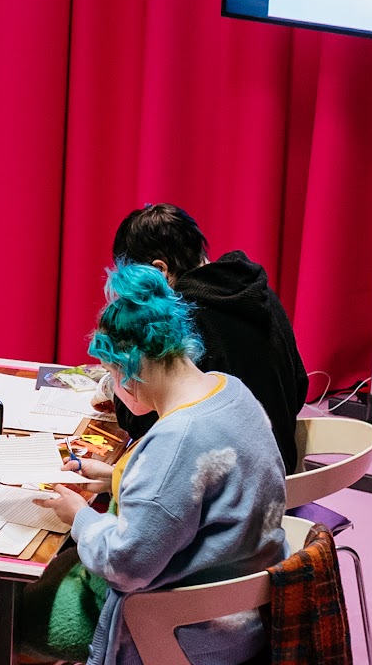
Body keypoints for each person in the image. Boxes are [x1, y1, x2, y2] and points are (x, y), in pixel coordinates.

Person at [0, 263, 289, 665]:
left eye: (111, 375)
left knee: (4, 623)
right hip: (248, 600)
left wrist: (79, 515)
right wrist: (110, 475)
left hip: (191, 625)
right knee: (49, 584)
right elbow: (187, 494)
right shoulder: (229, 392)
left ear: (132, 368)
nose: (113, 387)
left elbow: (128, 565)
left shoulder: (176, 442)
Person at [109, 202, 309, 474]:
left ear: (160, 270)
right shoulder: (258, 291)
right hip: (279, 467)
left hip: (232, 488)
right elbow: (299, 385)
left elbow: (147, 423)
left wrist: (118, 388)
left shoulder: (183, 319)